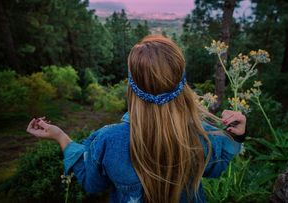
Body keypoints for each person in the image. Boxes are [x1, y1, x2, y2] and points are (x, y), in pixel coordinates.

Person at [27, 35, 246, 203]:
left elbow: (92, 183)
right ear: (183, 86)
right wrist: (238, 134)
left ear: (132, 88)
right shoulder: (204, 134)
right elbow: (217, 167)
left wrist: (61, 137)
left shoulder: (107, 140)